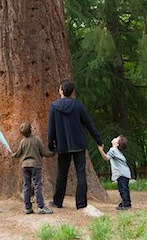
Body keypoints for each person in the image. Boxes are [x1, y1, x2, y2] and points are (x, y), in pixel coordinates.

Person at [48, 79, 103, 217]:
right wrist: (98, 140)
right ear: (71, 92)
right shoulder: (78, 106)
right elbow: (89, 124)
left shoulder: (54, 107)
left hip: (63, 145)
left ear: (61, 90)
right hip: (79, 145)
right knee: (81, 174)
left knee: (62, 174)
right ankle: (81, 204)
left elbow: (51, 128)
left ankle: (57, 201)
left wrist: (51, 144)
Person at [12, 122, 54, 215]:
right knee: (37, 185)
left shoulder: (22, 142)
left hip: (25, 166)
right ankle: (41, 207)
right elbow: (43, 152)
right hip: (35, 165)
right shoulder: (37, 140)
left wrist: (13, 154)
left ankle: (28, 208)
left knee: (26, 186)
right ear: (30, 129)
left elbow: (18, 154)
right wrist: (53, 152)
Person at [98, 135, 132, 210]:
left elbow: (106, 158)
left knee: (122, 189)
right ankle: (126, 202)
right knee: (125, 188)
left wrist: (101, 150)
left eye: (117, 138)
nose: (115, 138)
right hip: (125, 172)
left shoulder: (113, 150)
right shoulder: (118, 151)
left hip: (121, 173)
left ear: (117, 144)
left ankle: (126, 204)